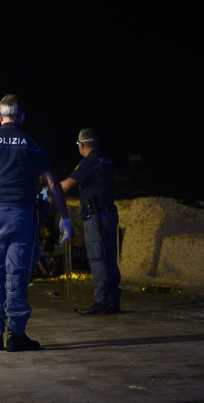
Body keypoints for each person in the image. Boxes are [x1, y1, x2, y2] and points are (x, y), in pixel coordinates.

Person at [0, 94, 71, 352]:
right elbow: (52, 183)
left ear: (0, 116)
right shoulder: (34, 143)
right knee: (18, 273)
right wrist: (64, 217)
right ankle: (16, 336)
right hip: (23, 214)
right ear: (22, 116)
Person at [60, 128, 120, 315]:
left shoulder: (89, 162)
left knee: (97, 258)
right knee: (109, 258)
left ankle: (100, 301)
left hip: (96, 216)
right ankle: (112, 300)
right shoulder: (106, 160)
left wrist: (48, 190)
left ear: (82, 144)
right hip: (108, 213)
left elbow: (67, 185)